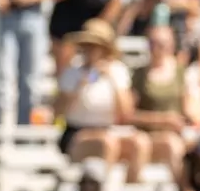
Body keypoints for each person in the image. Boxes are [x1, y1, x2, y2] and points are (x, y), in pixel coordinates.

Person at [55, 19, 150, 181]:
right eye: (87, 46)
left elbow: (126, 113)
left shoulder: (117, 71)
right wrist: (78, 88)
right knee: (108, 143)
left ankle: (132, 190)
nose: (90, 51)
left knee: (139, 142)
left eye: (95, 46)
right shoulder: (72, 72)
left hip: (108, 129)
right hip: (77, 132)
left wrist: (113, 81)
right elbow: (57, 113)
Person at [130, 23, 200, 176]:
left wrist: (189, 121)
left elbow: (193, 112)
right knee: (147, 144)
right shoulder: (138, 75)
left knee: (176, 144)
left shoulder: (183, 75)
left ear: (171, 45)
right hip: (145, 135)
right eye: (153, 43)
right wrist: (162, 120)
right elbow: (129, 114)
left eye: (162, 43)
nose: (157, 48)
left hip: (175, 135)